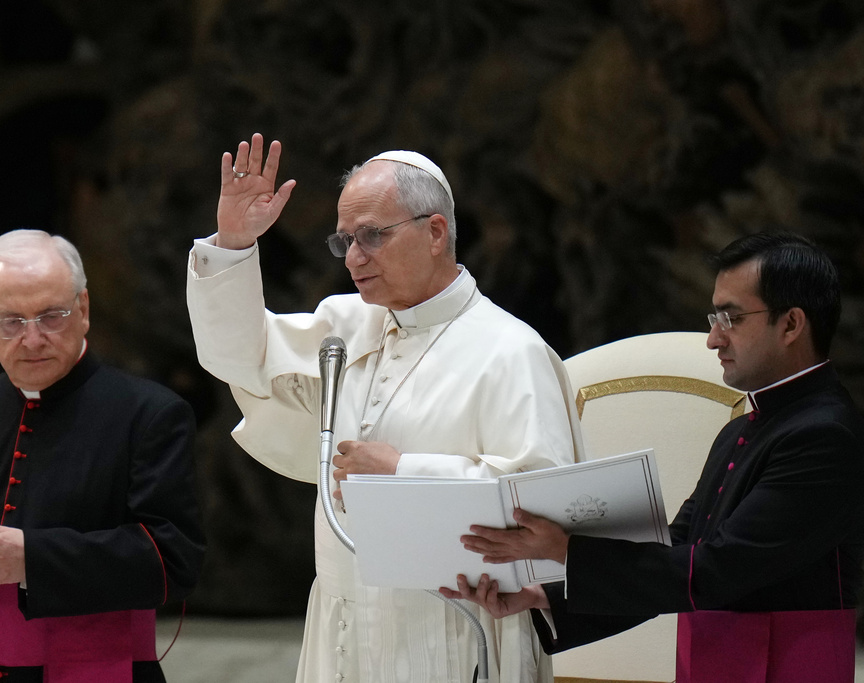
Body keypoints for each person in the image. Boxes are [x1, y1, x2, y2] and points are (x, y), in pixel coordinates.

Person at [186, 134, 583, 682]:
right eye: (344, 240)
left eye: (371, 235)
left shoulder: (510, 350)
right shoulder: (345, 326)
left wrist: (402, 472)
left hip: (450, 627)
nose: (353, 257)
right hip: (345, 622)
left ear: (436, 232)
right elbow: (238, 358)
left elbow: (543, 503)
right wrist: (233, 241)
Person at [442, 232, 864, 682]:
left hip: (788, 662)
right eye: (713, 317)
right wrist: (542, 594)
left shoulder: (824, 434)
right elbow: (677, 550)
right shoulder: (741, 429)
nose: (713, 339)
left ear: (792, 324)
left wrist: (568, 552)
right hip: (717, 656)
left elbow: (717, 571)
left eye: (732, 318)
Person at [0, 229, 205, 682]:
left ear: (84, 310)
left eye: (51, 316)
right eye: (10, 322)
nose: (33, 339)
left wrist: (31, 559)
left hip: (104, 670)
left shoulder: (150, 413)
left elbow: (174, 558)